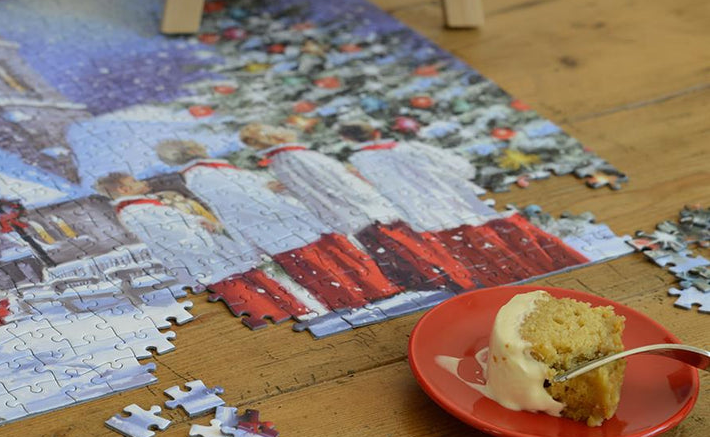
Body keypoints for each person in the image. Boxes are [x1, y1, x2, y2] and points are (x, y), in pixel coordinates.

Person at [156, 139, 398, 312]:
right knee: (324, 271)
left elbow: (247, 194)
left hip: (293, 224)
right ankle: (356, 302)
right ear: (190, 150)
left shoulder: (213, 168)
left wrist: (269, 190)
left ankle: (378, 292)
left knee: (341, 261)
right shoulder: (202, 175)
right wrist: (276, 202)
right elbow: (243, 203)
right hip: (281, 229)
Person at [239, 122, 477, 294]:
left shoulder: (283, 160)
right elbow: (339, 183)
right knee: (409, 247)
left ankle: (438, 281)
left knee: (398, 251)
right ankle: (450, 280)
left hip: (350, 214)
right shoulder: (295, 156)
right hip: (366, 209)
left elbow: (311, 189)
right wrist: (371, 198)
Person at [340, 122, 588, 284]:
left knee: (470, 252)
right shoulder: (410, 147)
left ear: (348, 139)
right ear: (376, 132)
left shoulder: (359, 160)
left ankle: (504, 280)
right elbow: (461, 168)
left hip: (423, 213)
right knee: (504, 237)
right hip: (459, 200)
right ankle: (548, 267)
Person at [96, 171, 243, 289]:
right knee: (231, 287)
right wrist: (205, 240)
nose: (142, 182)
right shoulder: (136, 210)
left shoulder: (141, 205)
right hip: (203, 264)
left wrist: (198, 221)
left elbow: (176, 221)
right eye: (134, 181)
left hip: (207, 260)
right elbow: (175, 235)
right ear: (123, 189)